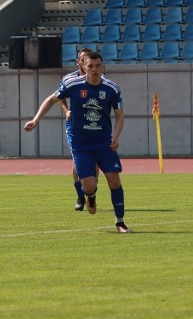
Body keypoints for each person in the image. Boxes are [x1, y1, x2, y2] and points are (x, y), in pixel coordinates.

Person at [24, 51, 131, 233]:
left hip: (104, 142)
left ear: (103, 67)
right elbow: (51, 100)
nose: (94, 69)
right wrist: (35, 120)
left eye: (98, 66)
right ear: (83, 67)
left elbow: (120, 116)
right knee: (89, 185)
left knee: (114, 181)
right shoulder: (72, 84)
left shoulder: (112, 88)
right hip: (81, 144)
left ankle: (120, 222)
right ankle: (91, 195)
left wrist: (116, 137)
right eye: (90, 66)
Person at [58, 47, 99, 211]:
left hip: (94, 125)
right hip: (75, 125)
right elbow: (59, 97)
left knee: (95, 161)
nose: (84, 63)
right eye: (82, 60)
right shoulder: (69, 79)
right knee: (78, 160)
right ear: (78, 62)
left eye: (87, 60)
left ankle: (91, 193)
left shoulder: (99, 78)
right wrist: (66, 111)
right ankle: (80, 196)